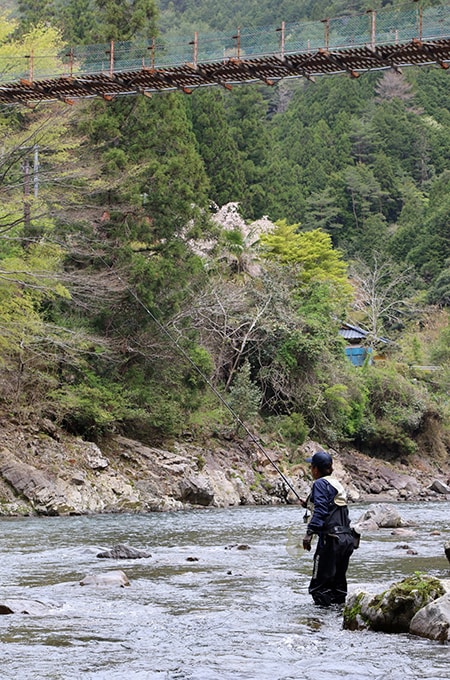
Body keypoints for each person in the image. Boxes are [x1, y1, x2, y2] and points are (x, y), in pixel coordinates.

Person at [301, 450, 354, 607]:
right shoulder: (335, 483)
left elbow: (322, 510)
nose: (311, 470)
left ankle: (319, 625)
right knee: (338, 588)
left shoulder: (319, 483)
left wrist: (309, 534)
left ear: (316, 469)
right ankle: (338, 621)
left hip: (331, 541)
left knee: (319, 588)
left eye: (311, 467)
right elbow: (331, 507)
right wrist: (309, 503)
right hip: (346, 539)